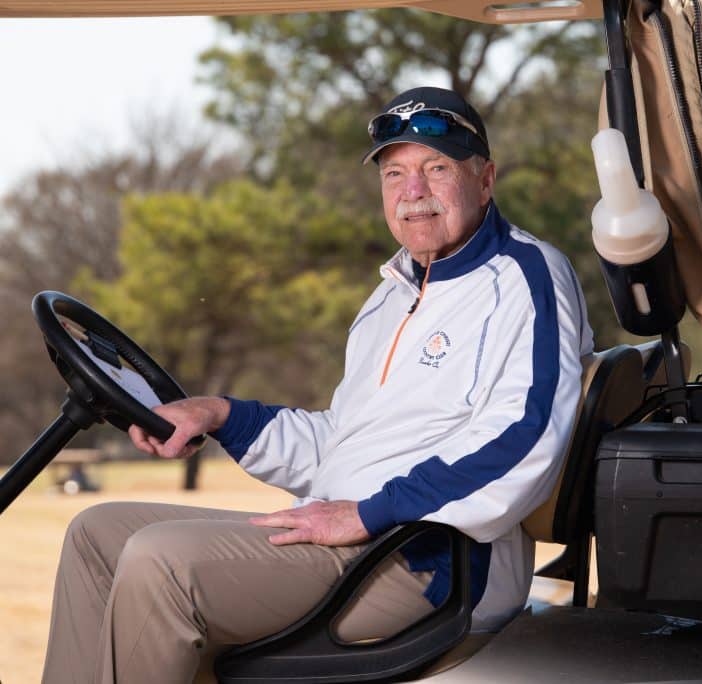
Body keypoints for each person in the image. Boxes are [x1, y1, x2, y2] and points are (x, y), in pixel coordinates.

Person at [42, 86, 593, 683]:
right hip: (350, 538)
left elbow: (524, 436)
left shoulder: (526, 276)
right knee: (95, 533)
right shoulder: (393, 294)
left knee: (161, 563)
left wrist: (368, 513)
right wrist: (221, 415)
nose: (413, 193)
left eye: (437, 169)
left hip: (425, 561)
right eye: (395, 173)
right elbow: (341, 442)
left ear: (484, 180)